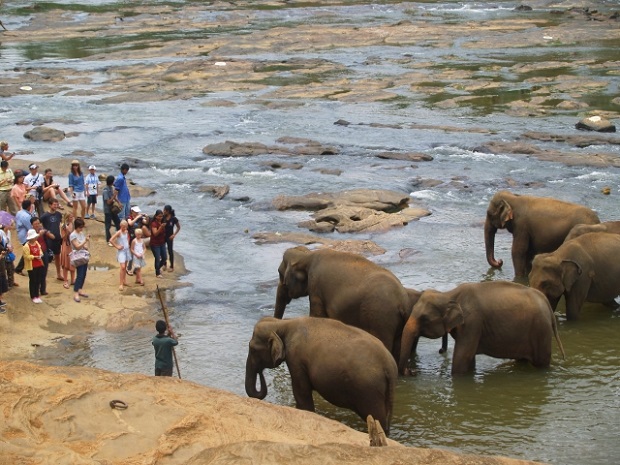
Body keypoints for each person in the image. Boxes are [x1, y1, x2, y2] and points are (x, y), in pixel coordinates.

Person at [40, 198, 63, 281]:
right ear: (50, 205)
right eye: (54, 204)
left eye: (57, 204)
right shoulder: (45, 216)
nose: (56, 206)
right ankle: (43, 275)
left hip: (57, 238)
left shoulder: (59, 214)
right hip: (48, 239)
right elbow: (39, 225)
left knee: (57, 256)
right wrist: (47, 232)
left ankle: (59, 274)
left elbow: (60, 224)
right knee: (47, 257)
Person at [69, 217, 89, 302]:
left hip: (83, 255)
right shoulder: (73, 235)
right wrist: (85, 241)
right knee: (80, 275)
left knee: (83, 274)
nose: (81, 229)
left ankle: (80, 289)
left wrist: (86, 242)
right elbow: (77, 247)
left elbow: (85, 246)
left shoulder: (81, 233)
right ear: (76, 226)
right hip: (78, 256)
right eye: (80, 227)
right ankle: (76, 293)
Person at [23, 228, 45, 303]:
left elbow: (40, 250)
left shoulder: (36, 243)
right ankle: (33, 295)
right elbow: (26, 256)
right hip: (32, 266)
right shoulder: (26, 246)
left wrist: (40, 254)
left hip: (38, 264)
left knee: (38, 280)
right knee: (33, 281)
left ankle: (37, 295)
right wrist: (34, 257)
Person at [30, 217, 50, 296]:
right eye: (36, 224)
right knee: (37, 273)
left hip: (44, 252)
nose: (38, 225)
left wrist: (47, 233)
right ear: (32, 225)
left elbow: (53, 237)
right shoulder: (31, 232)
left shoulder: (42, 230)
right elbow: (31, 241)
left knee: (44, 272)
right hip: (35, 255)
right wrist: (39, 235)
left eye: (38, 223)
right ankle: (36, 291)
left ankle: (43, 289)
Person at [109, 220, 130, 291]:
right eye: (123, 227)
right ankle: (121, 283)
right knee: (123, 267)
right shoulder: (119, 232)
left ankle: (124, 281)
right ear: (121, 226)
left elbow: (126, 239)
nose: (125, 228)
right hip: (121, 251)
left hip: (126, 250)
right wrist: (117, 246)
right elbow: (111, 240)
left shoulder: (126, 231)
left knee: (125, 266)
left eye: (126, 227)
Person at [14, 199, 33, 275]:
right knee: (27, 251)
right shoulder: (26, 216)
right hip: (25, 236)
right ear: (29, 207)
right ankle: (19, 268)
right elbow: (30, 227)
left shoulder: (19, 212)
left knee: (27, 251)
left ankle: (20, 268)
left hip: (21, 234)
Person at [149, 209, 167, 278]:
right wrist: (161, 227)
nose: (160, 218)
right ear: (156, 216)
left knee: (164, 257)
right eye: (159, 216)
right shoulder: (154, 223)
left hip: (162, 243)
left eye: (161, 216)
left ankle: (158, 268)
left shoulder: (162, 221)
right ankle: (157, 273)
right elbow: (155, 233)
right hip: (155, 244)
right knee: (157, 258)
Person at [102, 175, 120, 243]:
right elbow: (108, 202)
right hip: (108, 210)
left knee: (118, 223)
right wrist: (114, 195)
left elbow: (114, 198)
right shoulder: (105, 191)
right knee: (108, 225)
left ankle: (119, 236)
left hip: (112, 210)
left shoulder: (111, 188)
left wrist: (119, 202)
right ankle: (108, 240)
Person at [60, 212, 75, 289]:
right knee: (65, 264)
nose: (71, 218)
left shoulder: (74, 225)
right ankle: (65, 281)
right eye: (70, 217)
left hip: (72, 245)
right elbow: (63, 238)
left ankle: (72, 280)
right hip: (66, 245)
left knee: (73, 263)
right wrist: (67, 231)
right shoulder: (63, 226)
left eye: (72, 217)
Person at [162, 205, 180, 272]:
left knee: (170, 251)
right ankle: (164, 264)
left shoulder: (173, 219)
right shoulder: (162, 218)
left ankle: (171, 266)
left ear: (168, 211)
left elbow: (178, 227)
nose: (163, 211)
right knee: (163, 250)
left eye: (164, 210)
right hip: (163, 236)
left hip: (170, 237)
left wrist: (174, 234)